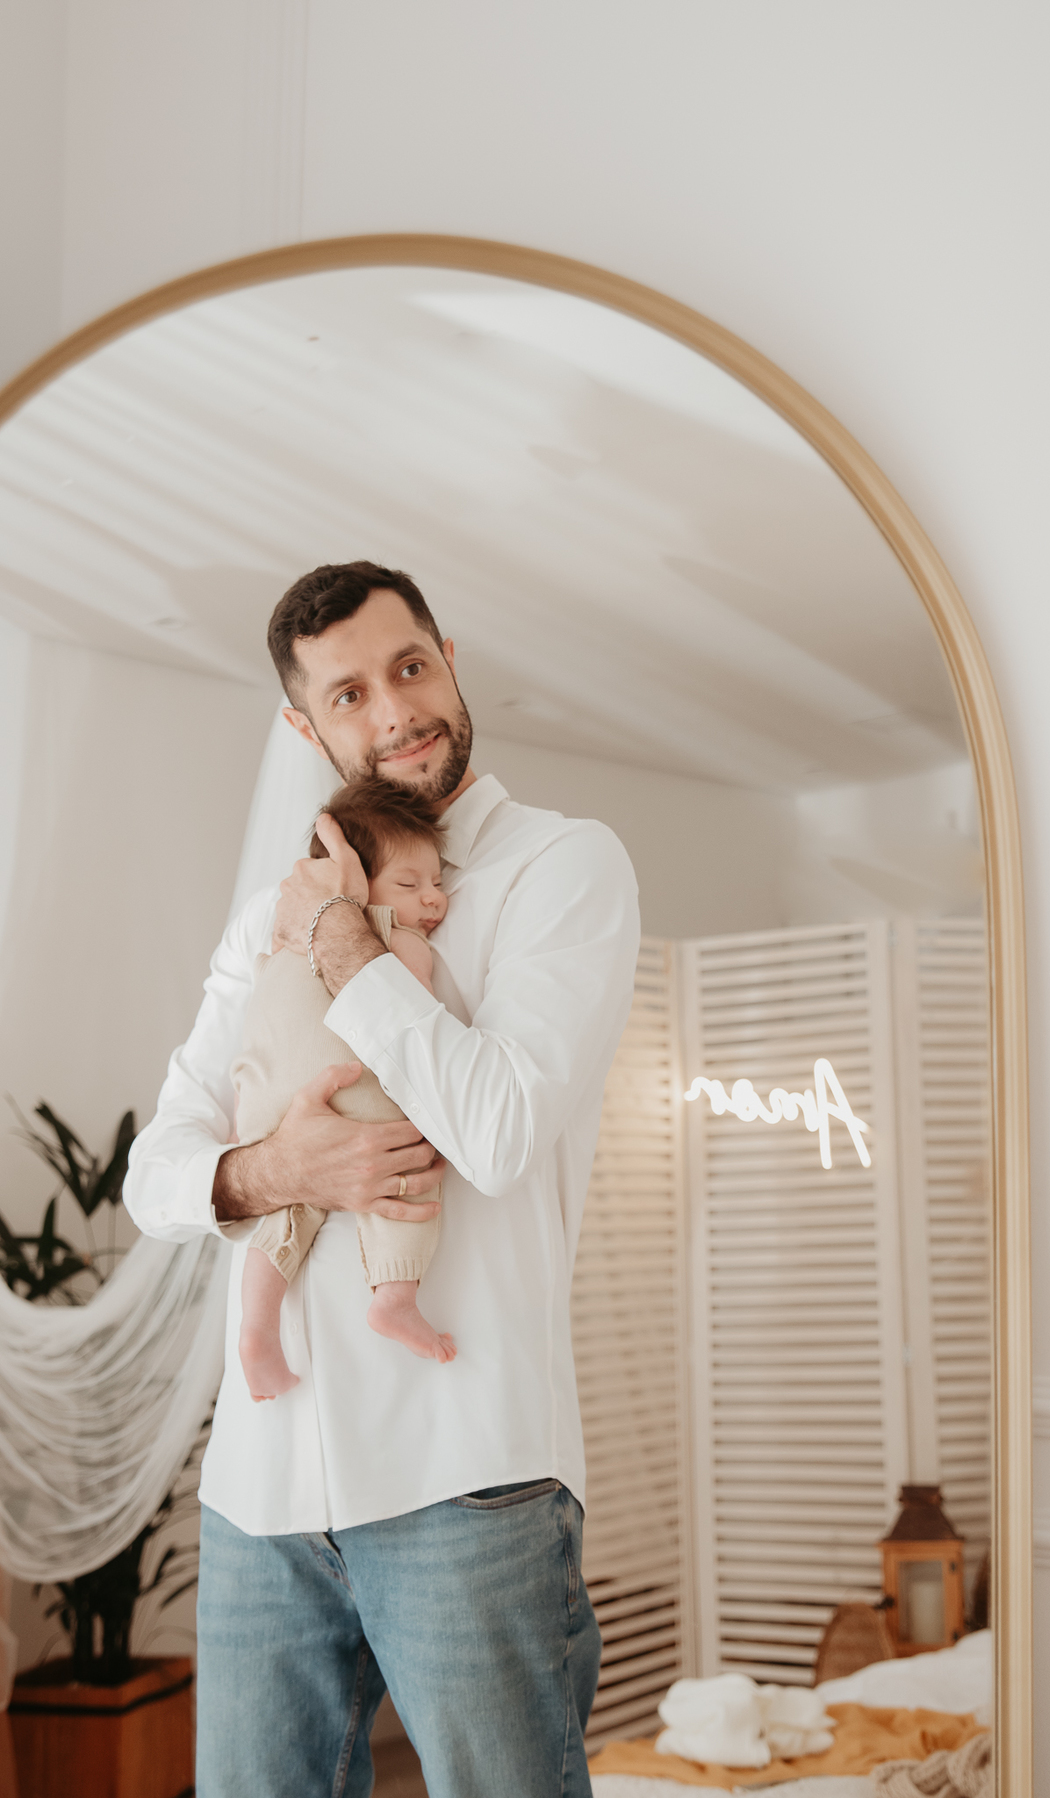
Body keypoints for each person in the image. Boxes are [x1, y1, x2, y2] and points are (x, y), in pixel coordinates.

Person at [124, 561, 641, 1798]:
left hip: (467, 1476)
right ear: (307, 727)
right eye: (349, 692)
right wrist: (269, 1169)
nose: (394, 710)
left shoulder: (563, 868)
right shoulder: (266, 915)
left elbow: (502, 1127)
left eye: (410, 667)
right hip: (261, 1492)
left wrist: (353, 943)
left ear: (449, 657)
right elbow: (158, 1171)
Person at [235, 778, 456, 1403]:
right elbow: (409, 1018)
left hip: (270, 1106)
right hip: (352, 1090)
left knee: (285, 1211)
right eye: (410, 885)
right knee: (410, 1173)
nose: (434, 899)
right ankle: (395, 1298)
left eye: (437, 882)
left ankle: (256, 1330)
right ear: (351, 882)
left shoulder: (280, 939)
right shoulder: (390, 936)